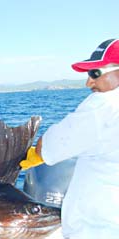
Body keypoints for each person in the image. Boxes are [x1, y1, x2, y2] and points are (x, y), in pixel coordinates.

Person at [20, 38, 119, 239]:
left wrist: (32, 155)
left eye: (95, 73)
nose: (89, 82)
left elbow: (49, 147)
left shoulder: (105, 105)